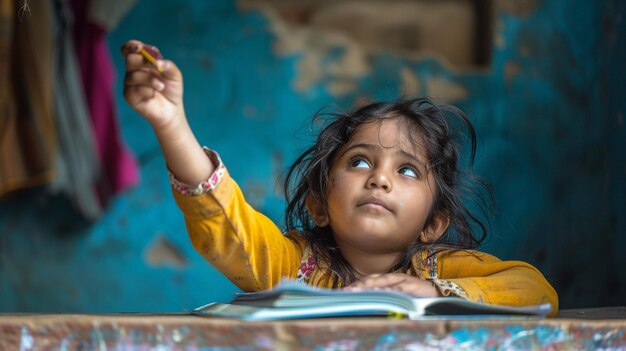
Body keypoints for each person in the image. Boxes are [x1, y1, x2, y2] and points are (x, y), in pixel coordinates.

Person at [121, 40, 559, 316]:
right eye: (360, 162)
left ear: (433, 224)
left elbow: (535, 289)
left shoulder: (439, 270)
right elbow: (229, 227)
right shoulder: (292, 266)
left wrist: (433, 293)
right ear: (317, 204)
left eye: (406, 170)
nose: (379, 180)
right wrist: (171, 123)